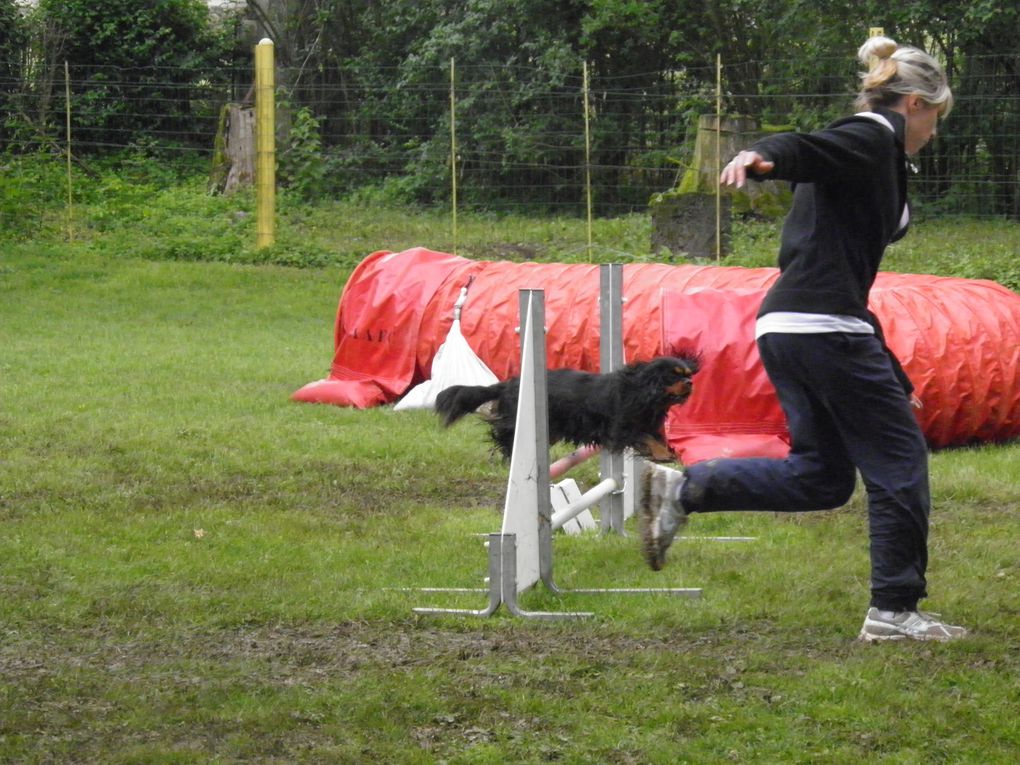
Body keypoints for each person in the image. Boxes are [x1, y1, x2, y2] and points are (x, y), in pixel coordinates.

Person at [639, 35, 967, 642]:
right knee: (899, 465)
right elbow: (804, 147)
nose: (935, 133)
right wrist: (761, 156)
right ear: (917, 102)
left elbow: (843, 274)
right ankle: (894, 611)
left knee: (823, 476)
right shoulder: (873, 134)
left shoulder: (878, 154)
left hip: (795, 325)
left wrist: (891, 372)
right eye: (937, 119)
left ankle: (686, 486)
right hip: (821, 328)